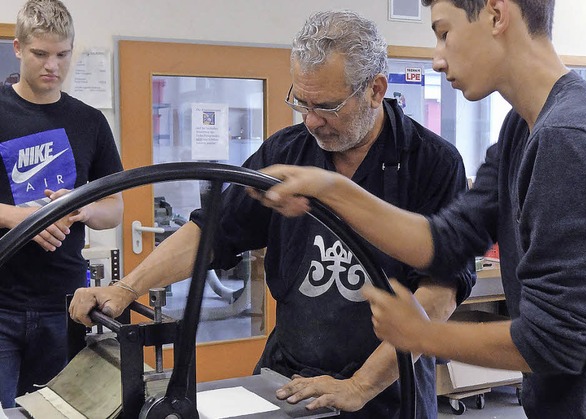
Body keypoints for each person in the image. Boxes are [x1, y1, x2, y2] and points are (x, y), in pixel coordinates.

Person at [69, 10, 474, 418]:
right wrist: (126, 289)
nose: (311, 121)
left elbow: (439, 294)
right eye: (301, 101)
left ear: (375, 89)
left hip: (386, 391)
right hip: (289, 379)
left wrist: (360, 386)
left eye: (328, 107)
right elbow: (211, 232)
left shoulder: (432, 163)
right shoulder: (287, 151)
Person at [248, 0, 586, 418]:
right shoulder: (522, 129)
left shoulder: (569, 137)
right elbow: (446, 240)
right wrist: (331, 188)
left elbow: (559, 340)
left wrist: (421, 334)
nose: (436, 59)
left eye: (443, 32)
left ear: (495, 14)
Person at [0, 0, 123, 408]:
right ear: (18, 49)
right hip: (2, 301)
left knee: (55, 412)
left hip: (64, 302)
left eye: (62, 54)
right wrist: (25, 218)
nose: (52, 65)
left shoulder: (89, 121)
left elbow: (114, 209)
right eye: (40, 54)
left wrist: (79, 208)